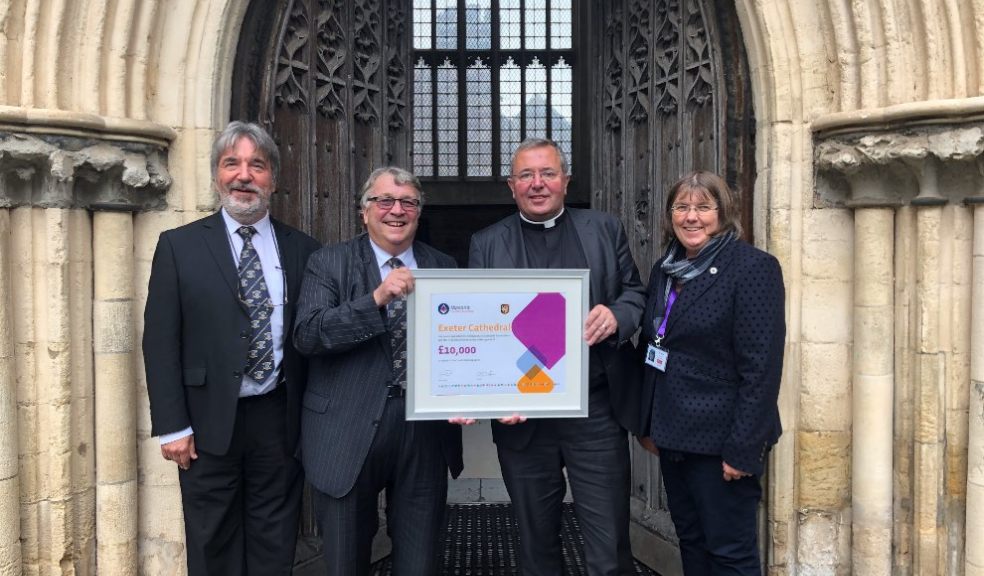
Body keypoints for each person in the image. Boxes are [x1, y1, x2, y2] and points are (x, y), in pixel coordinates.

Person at [143, 121, 321, 575]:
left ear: (273, 180)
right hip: (204, 424)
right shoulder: (178, 247)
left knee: (274, 540)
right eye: (232, 164)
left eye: (256, 165)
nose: (244, 175)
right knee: (211, 539)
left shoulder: (303, 250)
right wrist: (172, 426)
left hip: (278, 419)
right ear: (217, 175)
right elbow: (161, 340)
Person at [467, 138, 646, 575]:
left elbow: (635, 293)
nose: (537, 184)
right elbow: (478, 323)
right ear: (511, 186)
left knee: (609, 544)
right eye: (526, 175)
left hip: (595, 411)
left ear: (566, 180)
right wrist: (489, 395)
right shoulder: (486, 243)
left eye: (547, 173)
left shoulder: (604, 229)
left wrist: (617, 315)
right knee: (535, 542)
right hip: (523, 417)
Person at [293, 167, 464, 575]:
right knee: (346, 563)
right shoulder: (327, 263)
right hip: (345, 430)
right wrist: (376, 300)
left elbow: (463, 344)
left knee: (420, 562)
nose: (396, 210)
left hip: (423, 431)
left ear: (419, 212)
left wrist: (465, 392)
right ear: (364, 211)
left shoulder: (445, 267)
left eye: (408, 202)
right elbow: (309, 335)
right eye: (384, 201)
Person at [638, 171, 785, 575]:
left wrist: (742, 448)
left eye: (703, 207)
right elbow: (654, 346)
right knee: (692, 542)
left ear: (724, 213)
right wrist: (648, 423)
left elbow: (762, 368)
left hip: (722, 443)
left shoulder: (753, 268)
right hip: (674, 436)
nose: (691, 217)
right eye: (682, 207)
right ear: (670, 216)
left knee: (730, 553)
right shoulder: (665, 269)